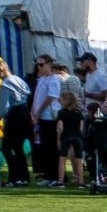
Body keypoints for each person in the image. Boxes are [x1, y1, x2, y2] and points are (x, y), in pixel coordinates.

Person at [0, 57, 32, 186]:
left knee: (6, 147)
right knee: (19, 148)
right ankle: (24, 177)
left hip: (14, 117)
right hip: (25, 114)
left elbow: (4, 108)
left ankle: (15, 177)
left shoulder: (5, 85)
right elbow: (29, 94)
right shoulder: (19, 80)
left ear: (1, 70)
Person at [30, 55, 61, 184]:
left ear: (49, 65)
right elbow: (36, 97)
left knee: (52, 147)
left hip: (50, 117)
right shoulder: (41, 79)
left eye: (41, 65)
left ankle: (54, 176)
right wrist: (33, 112)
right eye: (38, 65)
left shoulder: (54, 79)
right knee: (44, 147)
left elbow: (50, 98)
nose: (39, 67)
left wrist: (39, 112)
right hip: (41, 117)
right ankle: (48, 175)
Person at [55, 90, 87, 187]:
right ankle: (81, 182)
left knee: (62, 159)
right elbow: (81, 128)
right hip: (77, 137)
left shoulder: (61, 112)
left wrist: (58, 139)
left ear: (66, 101)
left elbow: (60, 128)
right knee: (78, 160)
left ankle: (60, 181)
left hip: (66, 136)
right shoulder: (79, 113)